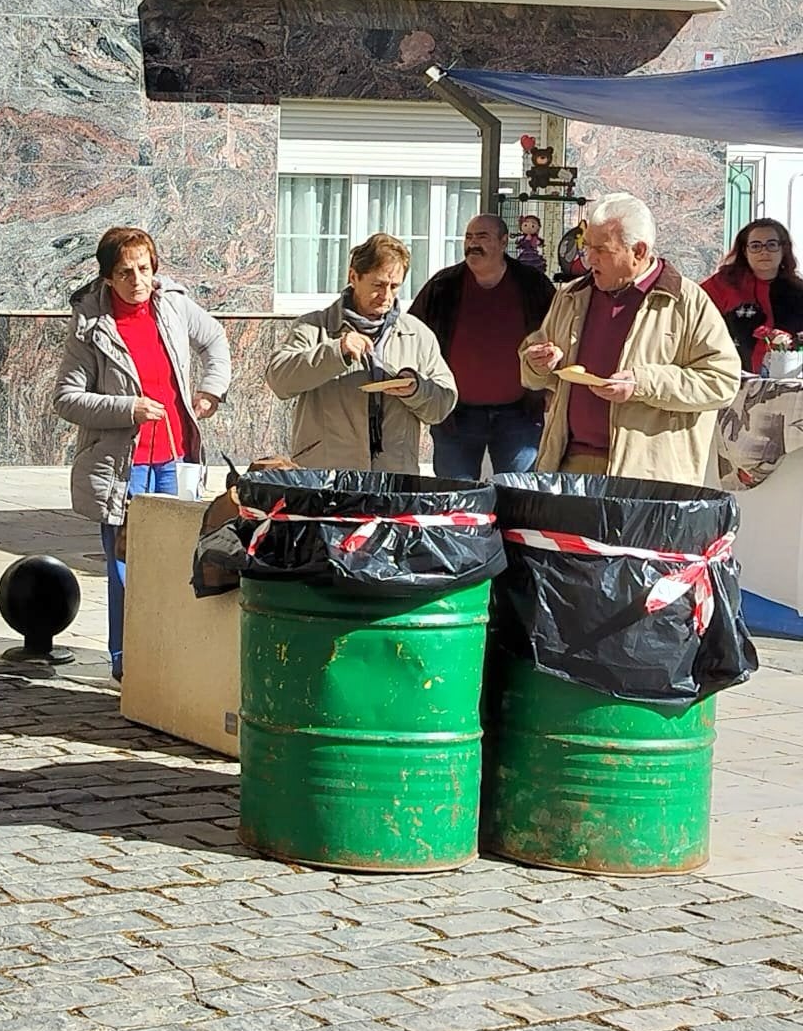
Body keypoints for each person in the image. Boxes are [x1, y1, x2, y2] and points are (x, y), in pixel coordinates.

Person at [54, 227, 231, 681]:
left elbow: (214, 340)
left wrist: (210, 392)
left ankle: (170, 655)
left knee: (177, 561)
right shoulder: (91, 326)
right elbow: (66, 398)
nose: (138, 280)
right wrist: (127, 408)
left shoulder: (171, 304)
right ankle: (126, 660)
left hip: (174, 458)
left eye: (145, 269)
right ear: (108, 277)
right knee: (125, 565)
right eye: (126, 272)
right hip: (122, 467)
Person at [522, 192, 739, 481]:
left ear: (638, 251)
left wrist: (644, 383)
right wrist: (537, 363)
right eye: (587, 247)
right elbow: (534, 370)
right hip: (569, 466)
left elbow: (722, 382)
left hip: (647, 475)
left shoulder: (685, 301)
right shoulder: (572, 295)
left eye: (601, 250)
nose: (589, 259)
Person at [266, 232, 457, 471]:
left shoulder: (416, 334)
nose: (386, 296)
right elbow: (279, 380)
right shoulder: (315, 327)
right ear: (353, 277)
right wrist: (337, 351)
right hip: (328, 474)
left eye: (394, 286)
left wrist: (417, 389)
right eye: (377, 285)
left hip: (393, 476)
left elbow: (443, 403)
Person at [408, 214, 555, 479]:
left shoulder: (533, 285)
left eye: (482, 237)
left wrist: (552, 388)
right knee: (455, 500)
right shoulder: (443, 286)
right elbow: (411, 335)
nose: (473, 244)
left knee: (518, 496)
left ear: (503, 242)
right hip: (455, 413)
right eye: (469, 237)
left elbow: (559, 335)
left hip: (519, 413)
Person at [702, 218, 803, 373]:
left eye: (772, 245)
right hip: (732, 379)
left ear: (783, 249)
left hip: (789, 383)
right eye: (756, 246)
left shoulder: (798, 291)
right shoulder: (722, 285)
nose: (764, 251)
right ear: (745, 250)